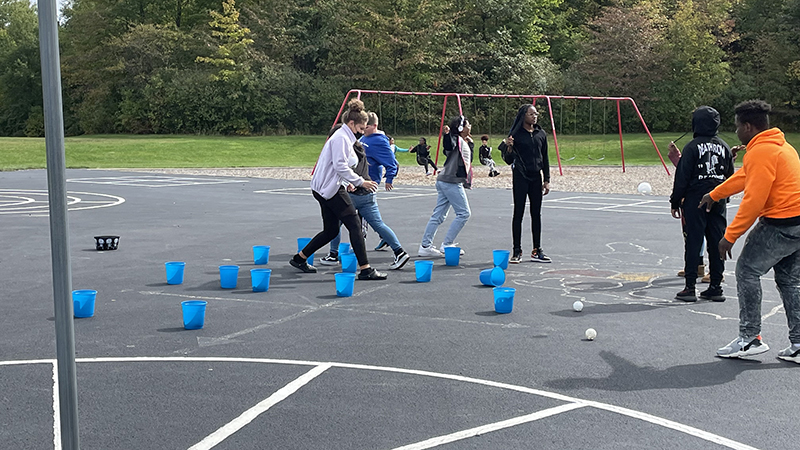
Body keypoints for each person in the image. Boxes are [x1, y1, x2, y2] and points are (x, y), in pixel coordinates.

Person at [699, 100, 800, 363]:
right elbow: (746, 177)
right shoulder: (780, 146)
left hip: (780, 225)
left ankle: (750, 338)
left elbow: (753, 200)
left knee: (746, 271)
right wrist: (715, 193)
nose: (736, 133)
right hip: (798, 224)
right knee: (789, 281)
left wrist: (729, 236)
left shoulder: (760, 152)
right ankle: (799, 343)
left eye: (737, 127)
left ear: (747, 126)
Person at [289, 99, 387, 280]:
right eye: (360, 128)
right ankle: (366, 269)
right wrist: (360, 182)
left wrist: (346, 181)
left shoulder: (344, 137)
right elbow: (340, 165)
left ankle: (299, 258)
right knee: (355, 225)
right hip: (330, 190)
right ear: (351, 124)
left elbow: (336, 168)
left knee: (331, 230)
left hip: (325, 188)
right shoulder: (341, 138)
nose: (362, 132)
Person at [320, 113, 410, 270]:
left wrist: (388, 178)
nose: (362, 131)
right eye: (362, 128)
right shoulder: (362, 143)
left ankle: (333, 254)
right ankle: (399, 252)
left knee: (337, 221)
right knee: (376, 223)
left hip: (358, 190)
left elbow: (346, 168)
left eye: (365, 127)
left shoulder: (362, 144)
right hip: (366, 190)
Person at [669, 106, 734, 302]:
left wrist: (675, 201)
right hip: (718, 199)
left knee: (693, 241)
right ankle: (715, 285)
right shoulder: (724, 147)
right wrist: (724, 197)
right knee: (717, 242)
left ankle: (690, 287)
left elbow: (682, 177)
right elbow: (730, 177)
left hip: (695, 200)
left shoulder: (691, 147)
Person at [501, 104, 551, 264]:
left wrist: (547, 179)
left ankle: (537, 249)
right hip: (521, 177)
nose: (534, 116)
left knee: (536, 214)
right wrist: (508, 148)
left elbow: (545, 157)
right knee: (519, 213)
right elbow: (508, 160)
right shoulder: (516, 135)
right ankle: (517, 250)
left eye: (536, 114)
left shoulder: (540, 134)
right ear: (524, 116)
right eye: (531, 114)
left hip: (536, 177)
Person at [418, 116, 473, 257]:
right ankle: (447, 244)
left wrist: (470, 144)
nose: (470, 126)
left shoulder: (463, 141)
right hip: (450, 181)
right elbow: (448, 146)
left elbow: (468, 159)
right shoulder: (455, 140)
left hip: (445, 180)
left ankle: (425, 246)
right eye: (468, 124)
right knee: (464, 213)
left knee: (439, 215)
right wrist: (447, 135)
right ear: (461, 128)